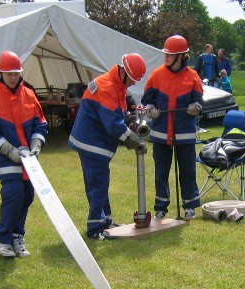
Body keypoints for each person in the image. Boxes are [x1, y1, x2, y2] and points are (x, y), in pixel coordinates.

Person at [0, 51, 48, 257]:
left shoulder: (29, 95)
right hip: (3, 156)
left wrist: (36, 144)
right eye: (9, 73)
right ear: (0, 73)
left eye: (16, 73)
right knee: (14, 193)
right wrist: (9, 150)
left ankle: (16, 237)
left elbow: (40, 124)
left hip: (27, 157)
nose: (13, 77)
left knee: (27, 195)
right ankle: (1, 237)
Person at [68, 53, 147, 240]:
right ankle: (95, 228)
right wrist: (134, 140)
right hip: (91, 143)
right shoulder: (107, 86)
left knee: (101, 183)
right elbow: (112, 124)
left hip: (94, 142)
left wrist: (129, 117)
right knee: (97, 185)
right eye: (132, 80)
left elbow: (118, 115)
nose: (132, 84)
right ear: (124, 73)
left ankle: (106, 222)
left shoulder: (116, 85)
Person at [141, 35, 204, 220]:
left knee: (188, 171)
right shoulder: (156, 75)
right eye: (166, 54)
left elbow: (200, 102)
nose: (166, 57)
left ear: (181, 56)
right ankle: (161, 207)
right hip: (160, 135)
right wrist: (150, 109)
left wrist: (196, 108)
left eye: (170, 54)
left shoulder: (193, 76)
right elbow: (146, 100)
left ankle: (190, 206)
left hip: (184, 134)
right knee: (161, 172)